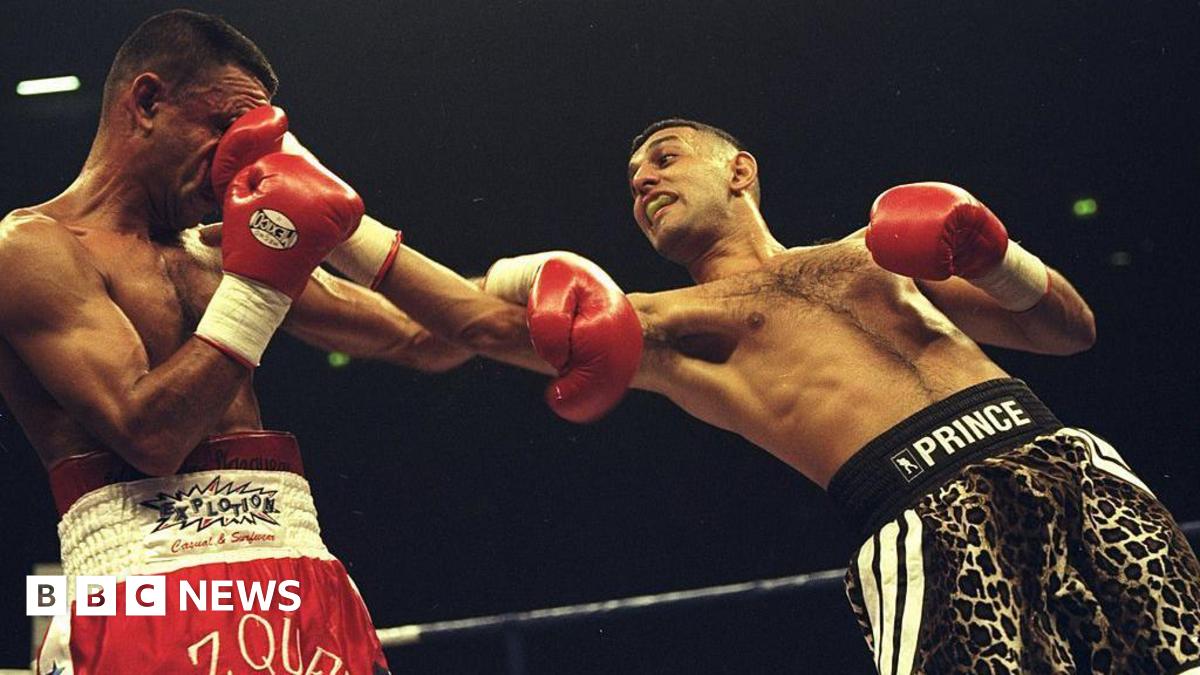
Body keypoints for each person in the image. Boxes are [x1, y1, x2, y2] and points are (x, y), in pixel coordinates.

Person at [326, 119, 1200, 673]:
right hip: (926, 519)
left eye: (663, 160)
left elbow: (1068, 330)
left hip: (1072, 466)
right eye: (634, 186)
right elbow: (453, 331)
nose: (645, 184)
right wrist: (332, 228)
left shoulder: (876, 250)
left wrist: (992, 257)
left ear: (739, 168)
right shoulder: (667, 321)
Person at [0, 10, 549, 674]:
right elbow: (148, 435)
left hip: (298, 586)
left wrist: (527, 283)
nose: (243, 159)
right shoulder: (33, 249)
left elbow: (420, 338)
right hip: (147, 590)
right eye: (226, 129)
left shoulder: (216, 251)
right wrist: (262, 282)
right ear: (146, 102)